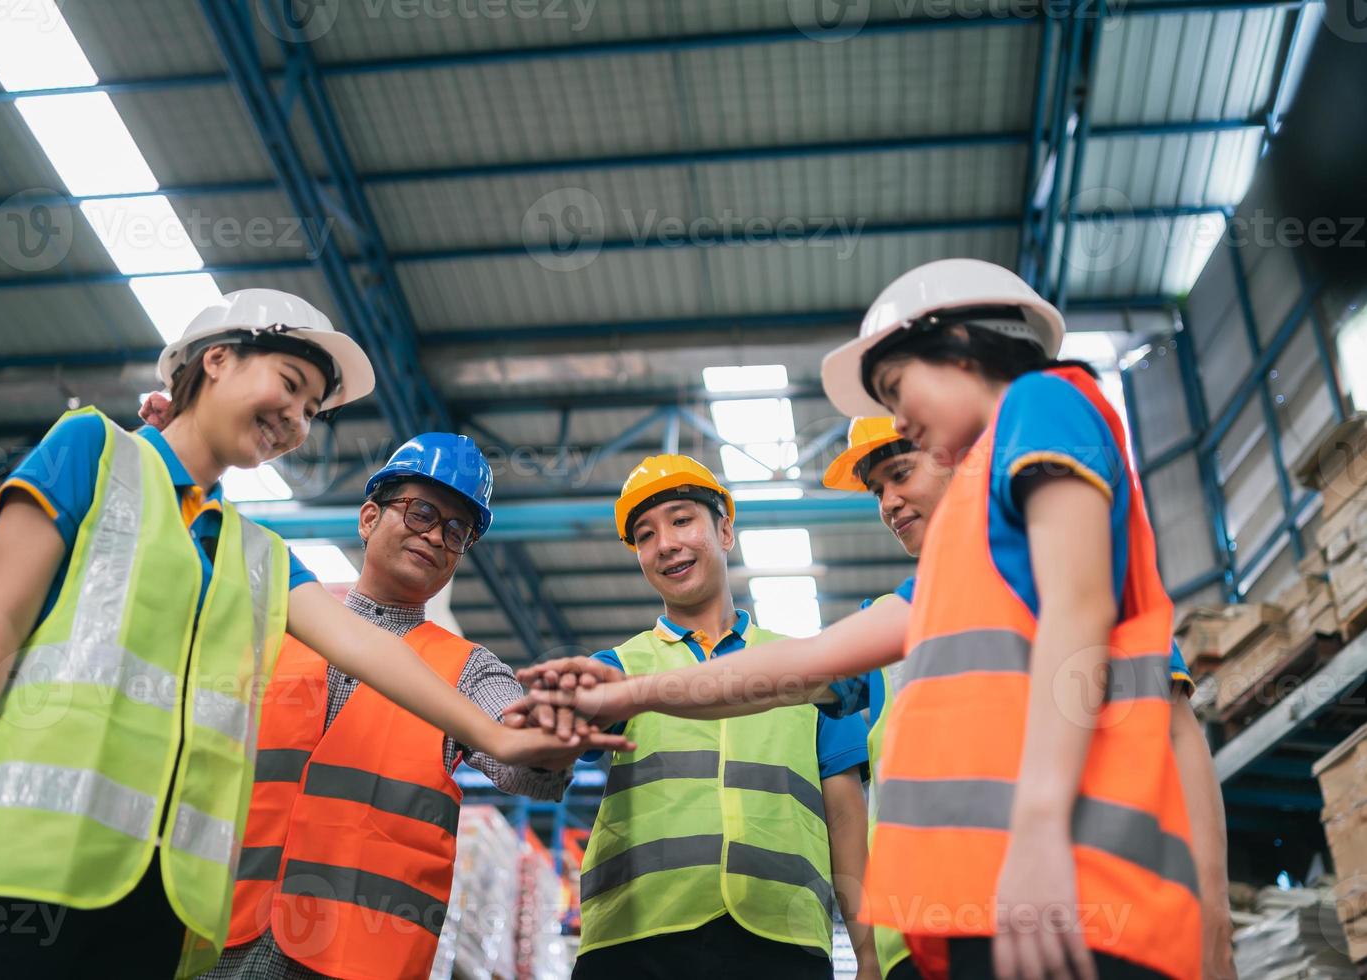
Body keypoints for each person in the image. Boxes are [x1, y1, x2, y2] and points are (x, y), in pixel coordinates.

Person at [518, 260, 1210, 978]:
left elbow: (1081, 605)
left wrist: (1038, 830)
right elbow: (801, 664)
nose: (899, 419)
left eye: (895, 390)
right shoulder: (954, 568)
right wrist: (621, 694)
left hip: (1078, 886)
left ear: (963, 345)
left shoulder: (1042, 399)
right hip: (990, 910)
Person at [0, 289, 617, 979]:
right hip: (59, 875)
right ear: (216, 360)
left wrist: (513, 736)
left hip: (203, 911)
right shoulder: (105, 459)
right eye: (290, 384)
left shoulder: (263, 561)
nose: (297, 420)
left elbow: (378, 654)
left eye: (310, 410)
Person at [208, 433, 584, 980]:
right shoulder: (272, 623)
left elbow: (520, 759)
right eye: (421, 513)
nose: (435, 535)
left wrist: (550, 739)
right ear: (368, 519)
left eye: (456, 531)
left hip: (355, 956)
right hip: (221, 928)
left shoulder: (468, 670)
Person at [561, 454, 874, 979]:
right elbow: (555, 750)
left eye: (682, 520)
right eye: (645, 535)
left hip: (782, 941)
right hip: (636, 940)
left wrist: (869, 954)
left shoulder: (813, 670)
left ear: (725, 530)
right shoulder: (618, 668)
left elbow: (846, 819)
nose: (665, 543)